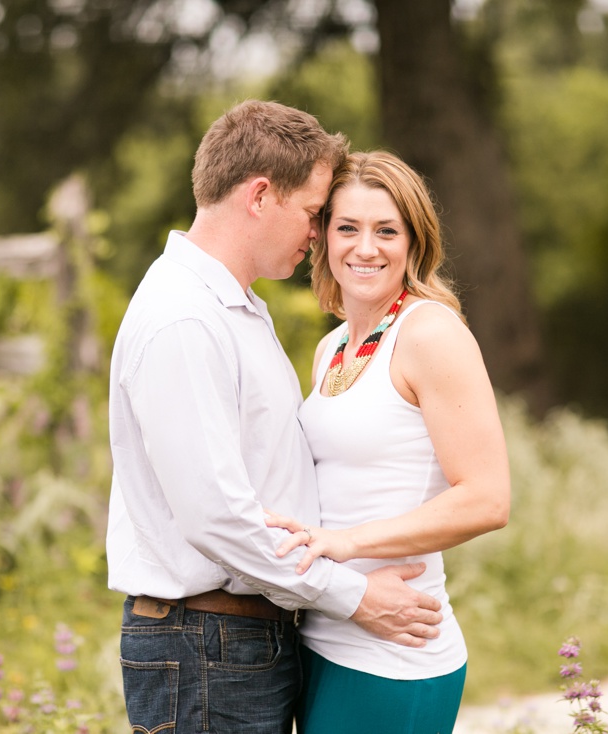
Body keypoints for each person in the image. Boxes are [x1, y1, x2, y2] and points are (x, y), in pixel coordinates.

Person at [106, 103, 446, 734]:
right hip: (208, 644)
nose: (319, 233)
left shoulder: (233, 307)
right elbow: (215, 516)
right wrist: (354, 597)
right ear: (260, 196)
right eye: (315, 212)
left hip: (237, 642)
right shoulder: (186, 318)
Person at [264, 150, 511, 734]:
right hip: (324, 637)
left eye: (386, 231)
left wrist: (346, 544)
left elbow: (487, 498)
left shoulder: (430, 332)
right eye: (347, 227)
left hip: (395, 653)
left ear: (414, 242)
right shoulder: (332, 349)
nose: (365, 247)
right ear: (321, 236)